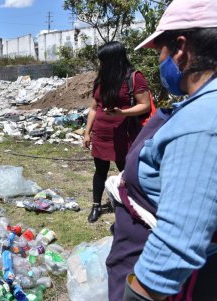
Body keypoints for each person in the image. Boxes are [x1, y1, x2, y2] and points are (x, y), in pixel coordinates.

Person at [104, 0, 217, 300]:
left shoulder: (203, 121)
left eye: (159, 52)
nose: (159, 62)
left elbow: (178, 241)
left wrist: (138, 294)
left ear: (181, 49)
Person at [83, 42, 151, 223]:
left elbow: (145, 105)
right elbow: (93, 108)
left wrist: (123, 113)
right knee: (100, 171)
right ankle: (96, 205)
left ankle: (132, 207)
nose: (100, 64)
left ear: (114, 59)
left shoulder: (134, 77)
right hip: (102, 134)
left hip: (124, 134)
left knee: (126, 172)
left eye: (103, 60)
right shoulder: (101, 79)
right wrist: (87, 132)